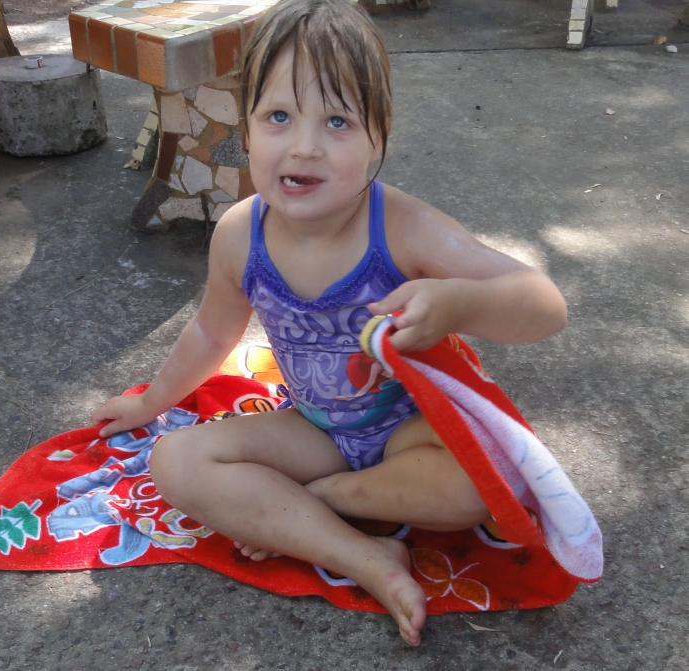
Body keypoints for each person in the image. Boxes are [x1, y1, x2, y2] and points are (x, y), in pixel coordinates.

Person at [91, 0, 567, 646]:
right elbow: (210, 332)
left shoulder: (402, 229)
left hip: (409, 433)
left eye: (337, 120)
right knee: (175, 460)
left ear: (378, 138)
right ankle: (365, 556)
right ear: (246, 129)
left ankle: (316, 503)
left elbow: (543, 303)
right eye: (278, 117)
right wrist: (150, 402)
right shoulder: (239, 236)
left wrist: (457, 303)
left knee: (480, 482)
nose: (304, 146)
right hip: (313, 430)